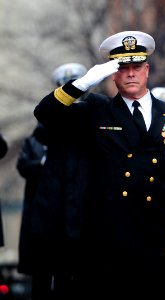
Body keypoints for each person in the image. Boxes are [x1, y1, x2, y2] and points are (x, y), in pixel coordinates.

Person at [34, 31, 165, 300]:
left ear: (147, 69)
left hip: (159, 232)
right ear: (113, 74)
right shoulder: (97, 110)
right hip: (110, 237)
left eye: (136, 67)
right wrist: (83, 84)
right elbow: (45, 113)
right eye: (123, 68)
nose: (130, 74)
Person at [16, 63, 88, 300]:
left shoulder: (91, 119)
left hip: (78, 217)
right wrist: (42, 165)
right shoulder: (44, 127)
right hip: (46, 217)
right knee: (44, 281)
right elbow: (24, 164)